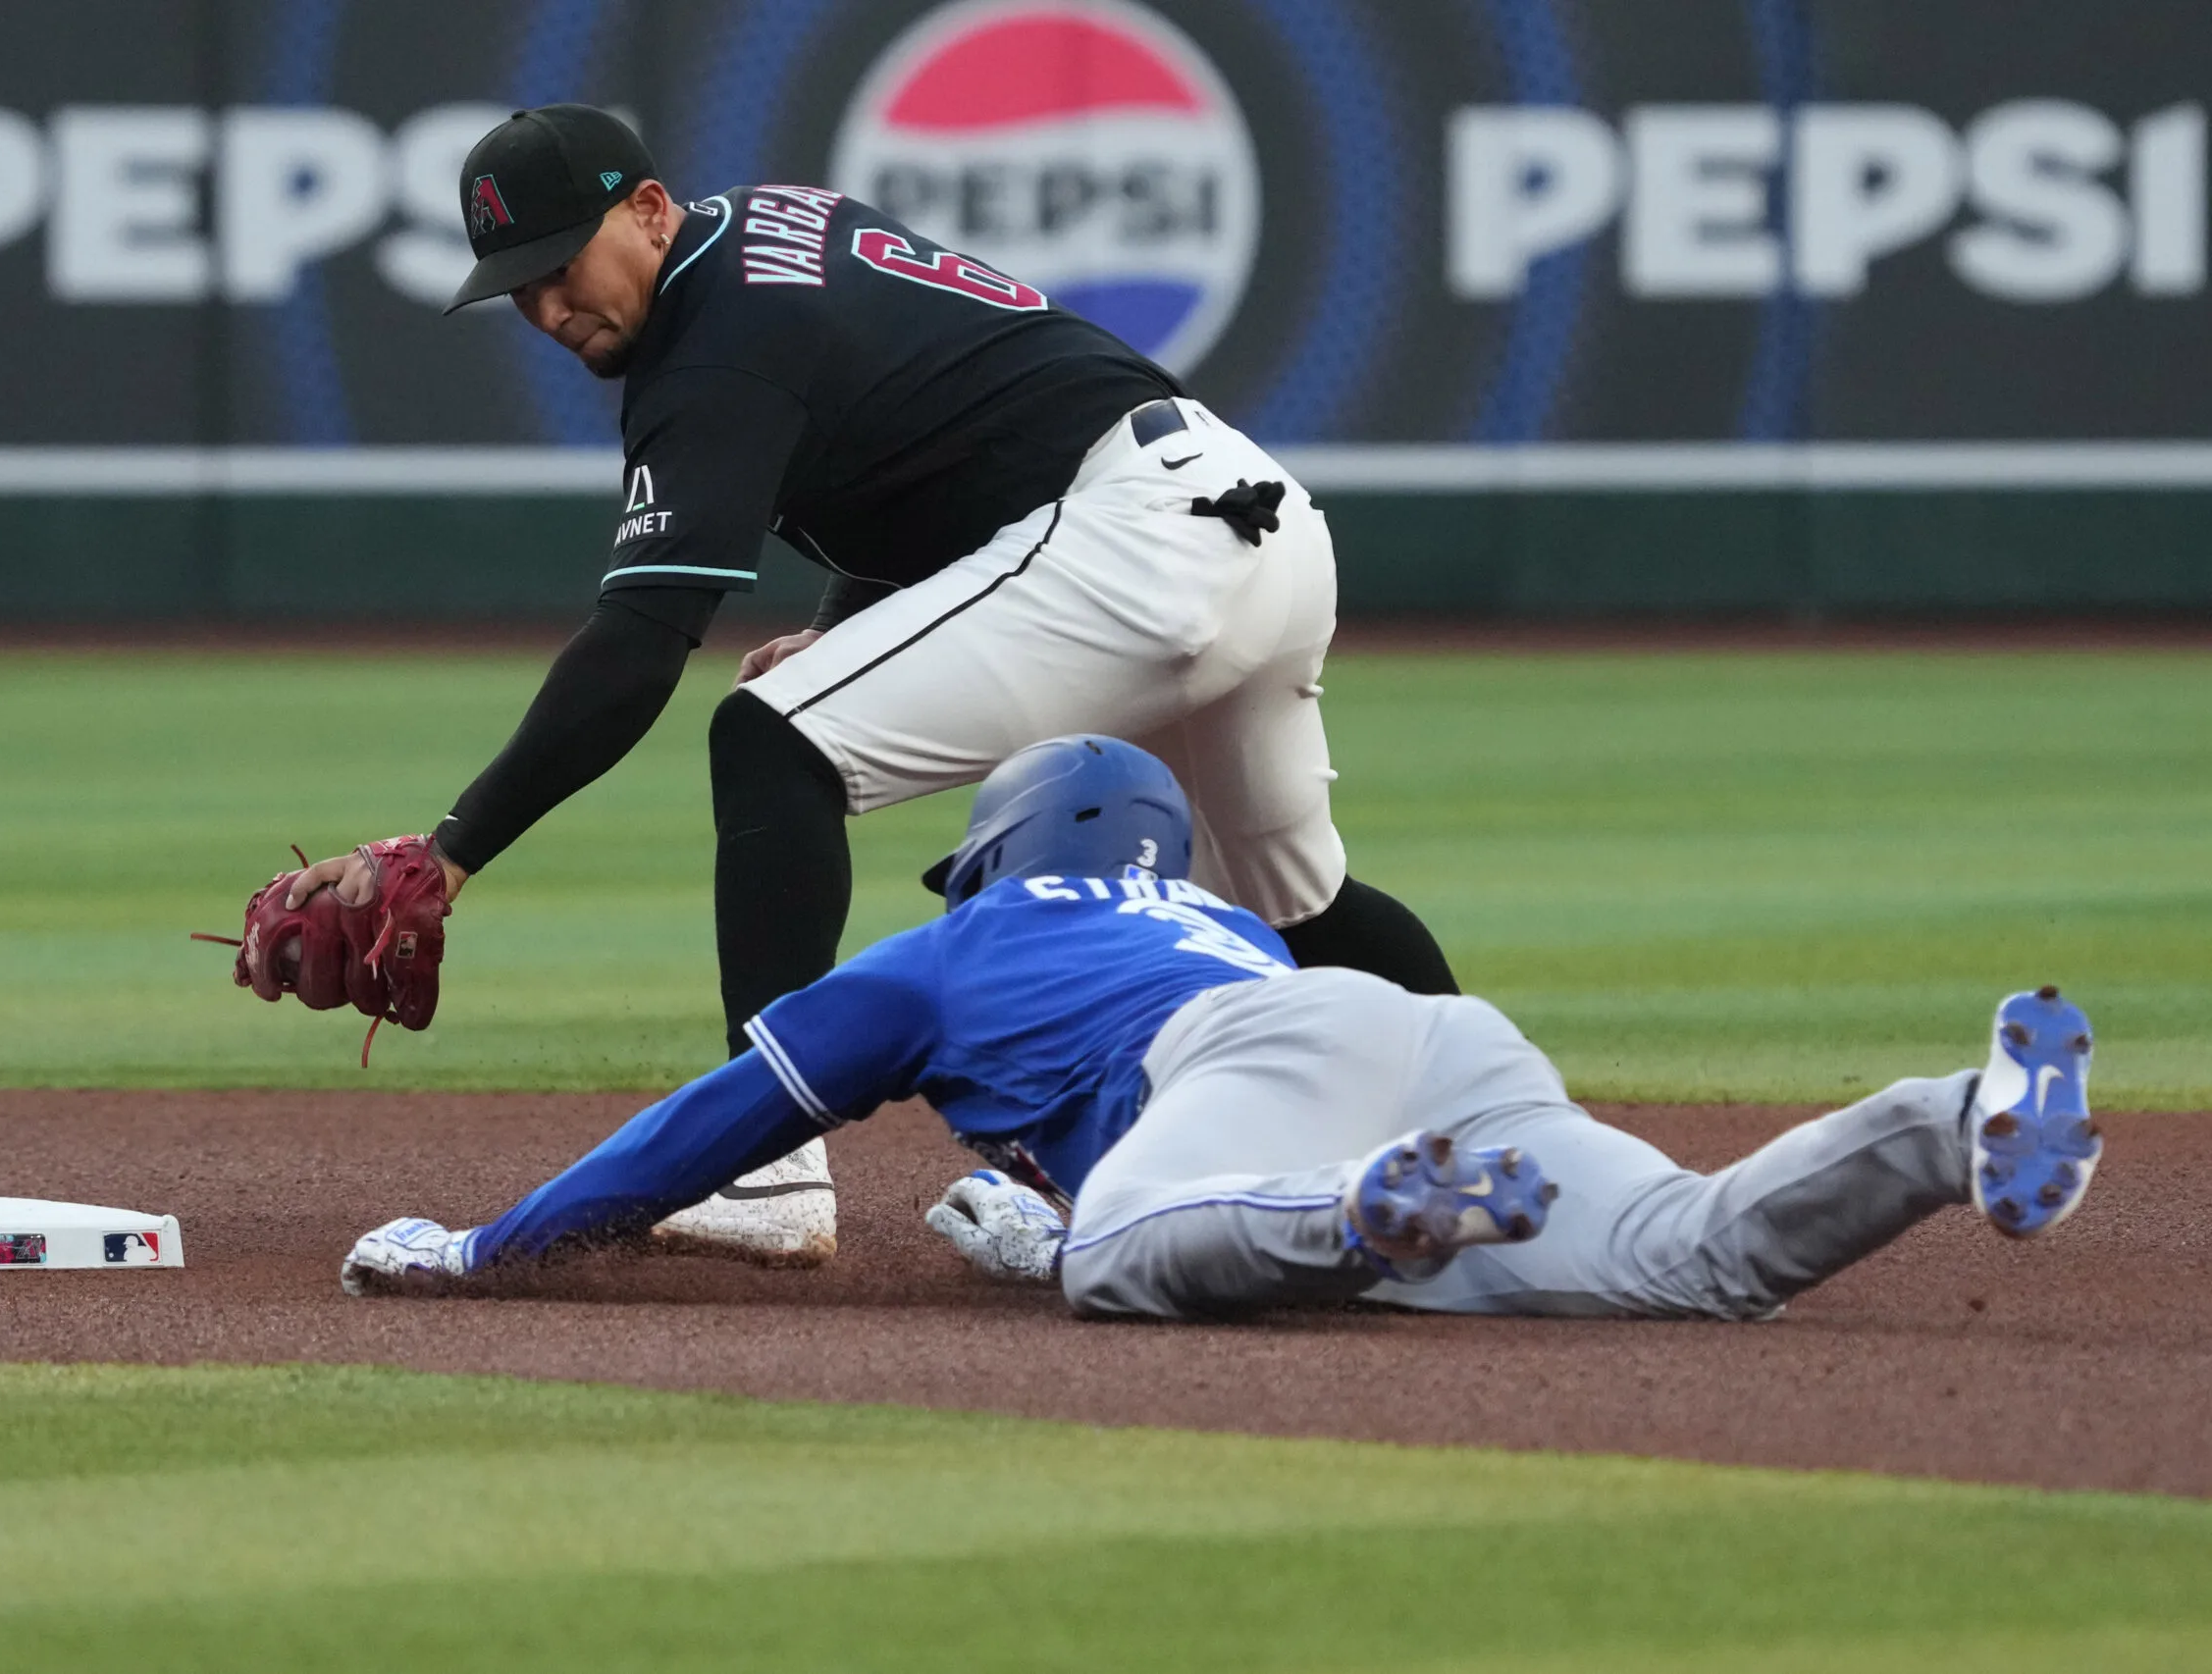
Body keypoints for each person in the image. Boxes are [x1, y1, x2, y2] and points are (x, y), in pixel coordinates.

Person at [279, 103, 1459, 1264]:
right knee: (1298, 905)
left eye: (559, 266)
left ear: (646, 211)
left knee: (769, 741)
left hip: (1134, 537)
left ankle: (766, 1168)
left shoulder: (712, 350)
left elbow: (642, 638)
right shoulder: (765, 225)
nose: (546, 307)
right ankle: (1497, 1138)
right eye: (518, 287)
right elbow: (942, 436)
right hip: (1253, 520)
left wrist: (450, 849)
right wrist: (851, 623)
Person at [340, 737, 2105, 1322]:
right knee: (1694, 1248)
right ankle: (1964, 1114)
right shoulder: (1220, 913)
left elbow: (710, 1126)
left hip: (1270, 1092)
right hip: (1428, 1037)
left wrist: (491, 1245)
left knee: (1117, 1259)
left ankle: (1367, 1214)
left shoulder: (948, 953)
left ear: (1000, 854)